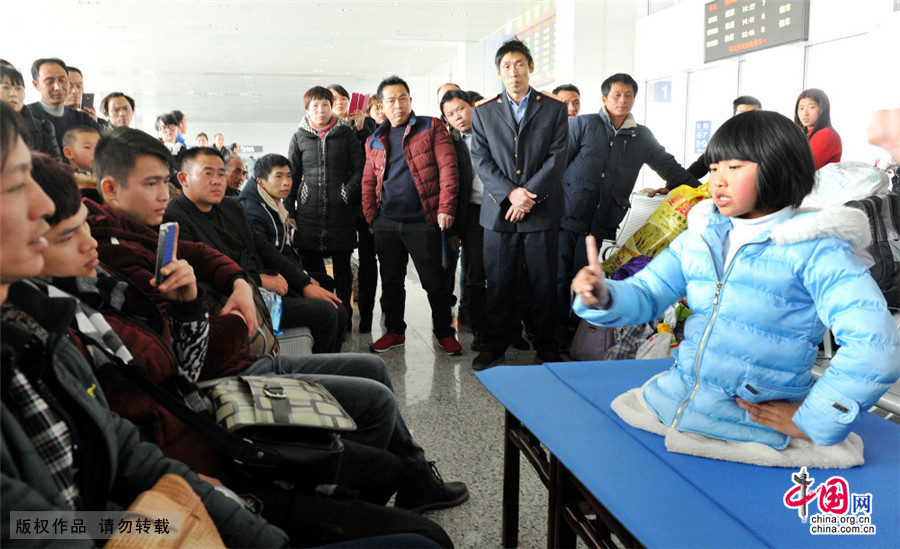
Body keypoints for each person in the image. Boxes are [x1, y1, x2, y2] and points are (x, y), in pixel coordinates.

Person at [28, 154, 467, 535]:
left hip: (203, 419)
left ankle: (392, 482)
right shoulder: (76, 300)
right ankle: (353, 487)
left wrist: (241, 282)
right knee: (375, 413)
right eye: (153, 183)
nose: (219, 181)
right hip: (211, 422)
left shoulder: (133, 244)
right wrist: (228, 315)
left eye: (225, 173)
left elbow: (217, 267)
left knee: (366, 370)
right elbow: (175, 374)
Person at [0, 100, 292, 549]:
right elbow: (37, 526)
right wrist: (163, 523)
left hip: (181, 455)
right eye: (16, 185)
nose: (39, 205)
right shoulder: (68, 308)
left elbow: (123, 454)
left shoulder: (41, 321)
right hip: (188, 446)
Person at [572, 109, 899, 449]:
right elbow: (647, 292)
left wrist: (815, 418)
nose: (718, 180)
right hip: (670, 404)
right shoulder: (699, 237)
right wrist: (603, 295)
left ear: (778, 167)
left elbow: (877, 346)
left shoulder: (817, 250)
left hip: (749, 430)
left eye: (734, 167)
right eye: (714, 168)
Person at [556, 73, 699, 351]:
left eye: (629, 95)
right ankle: (554, 334)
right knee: (562, 275)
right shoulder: (584, 125)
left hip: (605, 221)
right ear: (604, 98)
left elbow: (670, 168)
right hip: (569, 216)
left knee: (591, 274)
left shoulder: (641, 136)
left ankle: (577, 335)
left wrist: (704, 191)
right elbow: (558, 166)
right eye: (617, 95)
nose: (623, 100)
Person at [166, 147, 349, 354]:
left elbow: (265, 249)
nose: (217, 180)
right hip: (236, 297)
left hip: (267, 288)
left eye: (220, 173)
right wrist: (258, 280)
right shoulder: (175, 217)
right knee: (327, 312)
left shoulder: (231, 207)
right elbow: (203, 273)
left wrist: (304, 283)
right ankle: (315, 375)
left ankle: (326, 369)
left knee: (338, 308)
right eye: (208, 173)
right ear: (183, 178)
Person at [469, 40, 569, 369]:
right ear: (499, 72)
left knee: (543, 281)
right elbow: (481, 159)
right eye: (507, 66)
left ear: (531, 67)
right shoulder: (483, 111)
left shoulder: (553, 108)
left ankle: (546, 344)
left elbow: (557, 157)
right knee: (498, 281)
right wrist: (512, 193)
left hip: (541, 211)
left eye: (520, 64)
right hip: (499, 212)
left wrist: (529, 195)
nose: (514, 72)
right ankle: (494, 345)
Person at [361, 75, 462, 356]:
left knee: (435, 281)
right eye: (391, 100)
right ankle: (394, 331)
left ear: (410, 100)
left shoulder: (431, 126)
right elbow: (368, 181)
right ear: (381, 106)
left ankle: (444, 331)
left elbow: (448, 168)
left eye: (403, 98)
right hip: (387, 223)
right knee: (391, 281)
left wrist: (445, 208)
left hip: (423, 221)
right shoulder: (374, 139)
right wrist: (372, 217)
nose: (398, 105)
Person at [287, 86, 365, 329]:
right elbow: (291, 175)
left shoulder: (346, 134)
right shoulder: (299, 137)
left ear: (332, 107)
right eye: (315, 106)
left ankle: (344, 313)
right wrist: (289, 210)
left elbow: (361, 168)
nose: (320, 111)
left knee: (343, 267)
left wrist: (347, 191)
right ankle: (323, 312)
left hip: (340, 212)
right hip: (308, 213)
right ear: (307, 109)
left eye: (325, 105)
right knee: (312, 267)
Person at [440, 89, 487, 349]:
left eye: (460, 109)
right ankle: (480, 330)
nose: (457, 116)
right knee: (474, 274)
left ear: (473, 105)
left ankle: (510, 328)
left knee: (507, 272)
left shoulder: (494, 133)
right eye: (450, 114)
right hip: (471, 213)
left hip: (501, 210)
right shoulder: (452, 143)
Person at [25, 57, 100, 153]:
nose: (58, 87)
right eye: (49, 81)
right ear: (36, 85)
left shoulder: (83, 118)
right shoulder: (26, 115)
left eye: (62, 80)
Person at [687, 95, 761, 178]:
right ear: (734, 117)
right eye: (743, 114)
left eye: (754, 114)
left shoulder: (770, 141)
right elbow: (700, 166)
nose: (749, 119)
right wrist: (675, 184)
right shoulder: (722, 139)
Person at [0, 64, 61, 160]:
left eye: (18, 88)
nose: (13, 94)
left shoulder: (43, 129)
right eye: (6, 87)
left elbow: (56, 168)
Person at [794, 88, 842, 171]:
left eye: (811, 107)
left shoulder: (826, 134)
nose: (805, 113)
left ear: (823, 109)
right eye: (801, 108)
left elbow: (804, 169)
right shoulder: (808, 135)